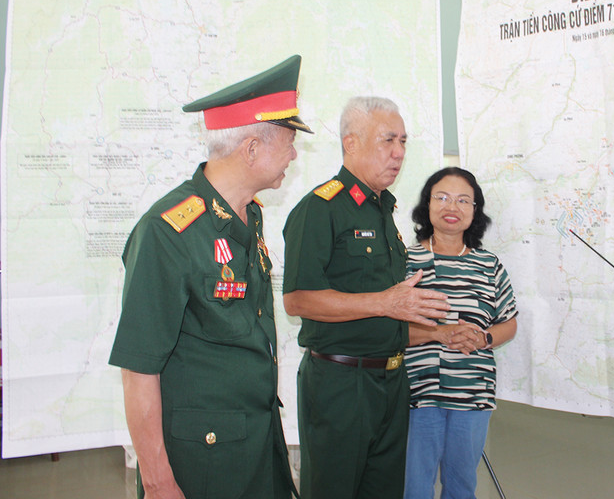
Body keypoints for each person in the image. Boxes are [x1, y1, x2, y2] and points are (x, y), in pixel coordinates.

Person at [108, 55, 312, 499]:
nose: (294, 154)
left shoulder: (249, 217)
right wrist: (159, 482)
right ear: (252, 148)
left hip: (257, 448)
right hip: (201, 466)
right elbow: (138, 370)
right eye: (289, 142)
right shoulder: (166, 232)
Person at [281, 96, 451, 499]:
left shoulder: (384, 212)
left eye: (404, 141)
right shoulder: (320, 210)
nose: (399, 152)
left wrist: (434, 329)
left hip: (392, 381)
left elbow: (388, 314)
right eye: (388, 140)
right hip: (341, 386)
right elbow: (297, 300)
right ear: (351, 143)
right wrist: (384, 302)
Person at [402, 167, 518, 499]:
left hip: (472, 395)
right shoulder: (406, 261)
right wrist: (438, 333)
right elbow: (389, 330)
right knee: (414, 486)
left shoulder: (489, 264)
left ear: (474, 211)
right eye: (442, 197)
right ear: (427, 205)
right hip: (417, 394)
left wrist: (485, 338)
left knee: (462, 485)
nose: (452, 207)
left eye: (463, 200)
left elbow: (509, 322)